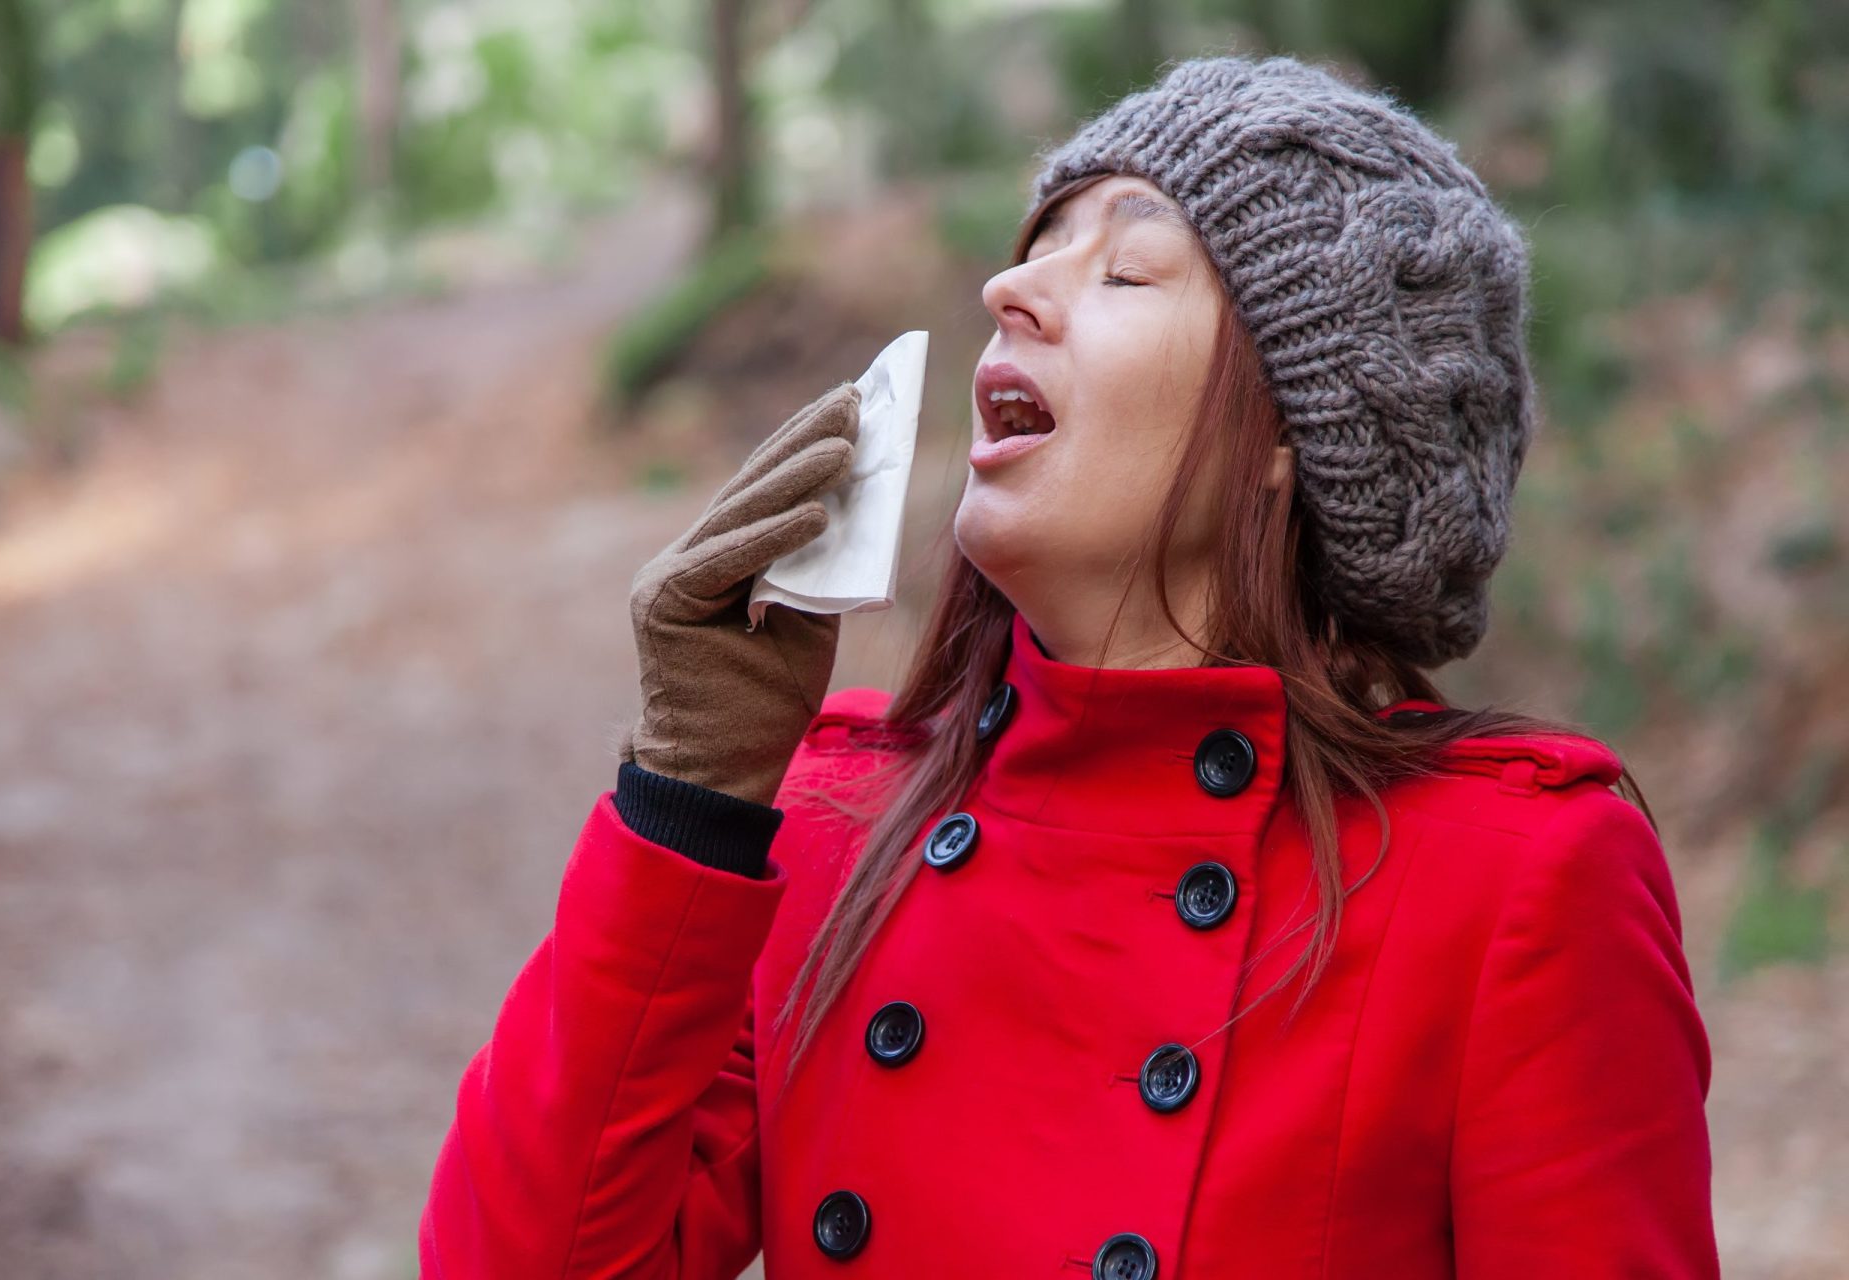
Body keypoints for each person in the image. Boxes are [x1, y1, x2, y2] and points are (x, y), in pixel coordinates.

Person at [418, 53, 1718, 1279]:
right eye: (1037, 250)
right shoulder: (832, 823)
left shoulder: (1514, 884)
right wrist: (689, 799)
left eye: (1128, 272)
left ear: (1295, 436)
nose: (1009, 290)